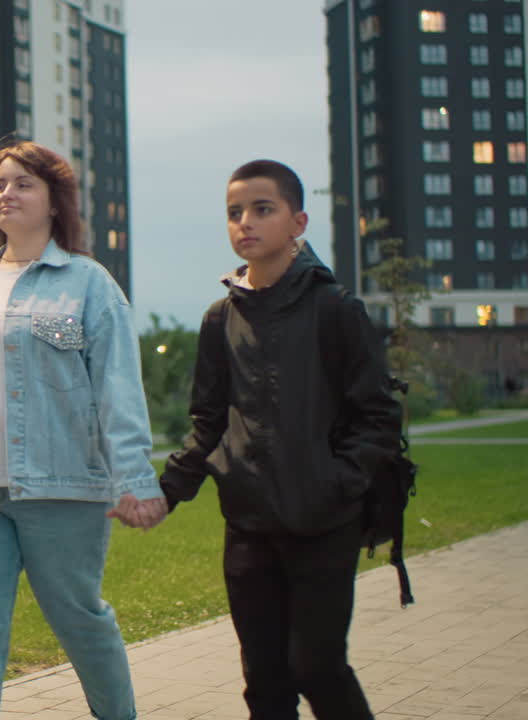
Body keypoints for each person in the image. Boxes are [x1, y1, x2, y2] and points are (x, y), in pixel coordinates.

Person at [0, 140, 167, 720]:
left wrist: (135, 478)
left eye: (23, 183)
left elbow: (118, 390)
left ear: (55, 201)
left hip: (61, 487)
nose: (7, 194)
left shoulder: (87, 283)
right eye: (0, 185)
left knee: (80, 621)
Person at [160, 159, 401, 719]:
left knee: (317, 668)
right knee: (264, 683)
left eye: (262, 209)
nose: (245, 221)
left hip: (324, 524)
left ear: (298, 222)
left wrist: (338, 483)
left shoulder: (336, 310)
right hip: (249, 529)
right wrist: (167, 491)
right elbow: (209, 422)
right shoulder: (220, 319)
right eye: (234, 212)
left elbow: (378, 416)